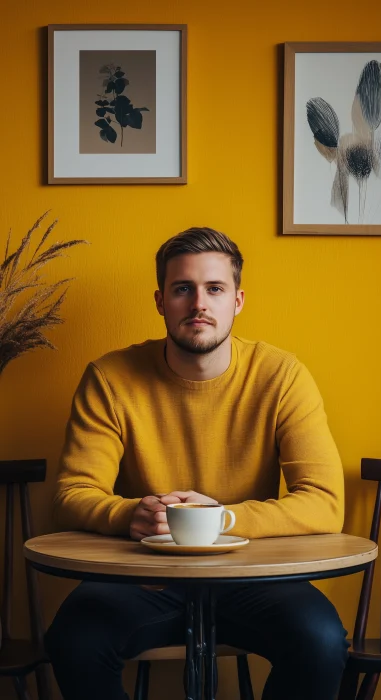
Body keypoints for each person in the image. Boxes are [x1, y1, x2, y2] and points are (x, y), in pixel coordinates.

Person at [45, 227, 348, 700]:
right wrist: (130, 515)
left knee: (323, 641)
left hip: (251, 574)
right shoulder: (109, 378)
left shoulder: (282, 375)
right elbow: (70, 495)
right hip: (143, 577)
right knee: (74, 640)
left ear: (238, 301)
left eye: (214, 289)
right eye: (183, 288)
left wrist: (221, 519)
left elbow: (326, 502)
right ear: (161, 301)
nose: (199, 303)